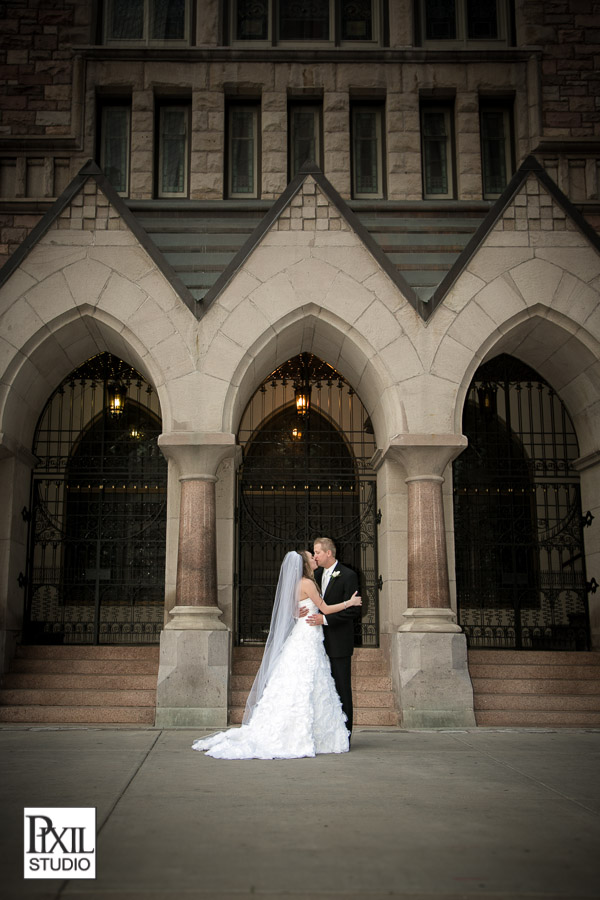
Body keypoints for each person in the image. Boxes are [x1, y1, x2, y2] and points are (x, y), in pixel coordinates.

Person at [191, 550, 361, 760]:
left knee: (303, 680)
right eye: (311, 556)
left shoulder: (298, 583)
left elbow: (288, 609)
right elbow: (324, 608)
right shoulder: (307, 583)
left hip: (304, 633)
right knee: (308, 680)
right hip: (307, 636)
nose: (314, 558)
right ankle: (307, 734)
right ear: (305, 563)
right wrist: (349, 603)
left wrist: (294, 613)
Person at [304, 537, 360, 737]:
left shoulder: (348, 575)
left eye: (317, 552)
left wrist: (325, 620)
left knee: (342, 687)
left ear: (329, 553)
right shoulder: (314, 575)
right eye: (314, 553)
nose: (315, 555)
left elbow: (354, 611)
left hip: (339, 642)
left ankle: (344, 734)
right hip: (315, 643)